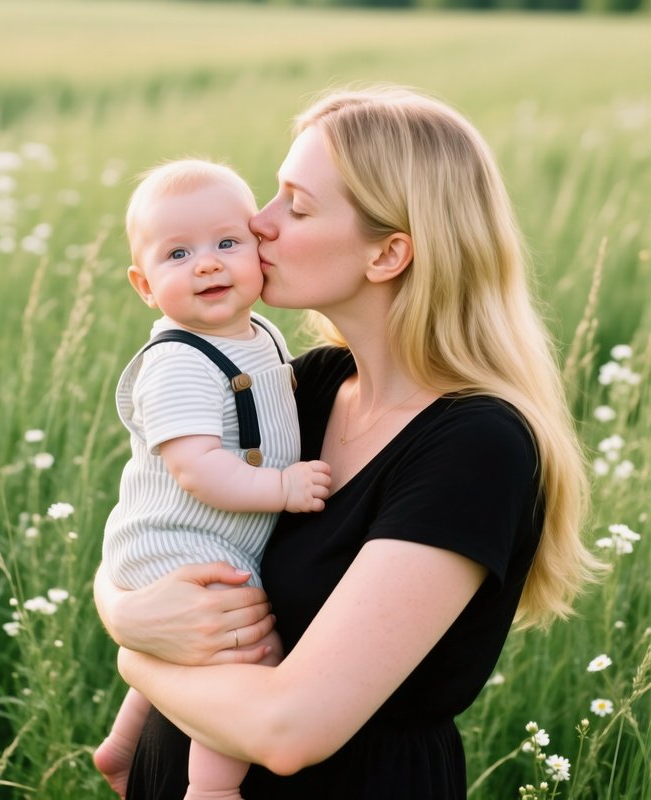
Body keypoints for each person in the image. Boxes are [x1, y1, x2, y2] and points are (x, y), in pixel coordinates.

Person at [93, 86, 601, 799]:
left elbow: (290, 731)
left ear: (389, 253)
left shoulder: (476, 447)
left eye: (294, 206)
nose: (256, 224)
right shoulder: (311, 383)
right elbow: (159, 520)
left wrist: (134, 655)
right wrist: (126, 610)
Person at [93, 158, 332, 800]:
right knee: (246, 653)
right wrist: (281, 490)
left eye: (227, 243)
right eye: (178, 254)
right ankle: (212, 789)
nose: (207, 264)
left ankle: (121, 747)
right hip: (179, 539)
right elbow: (195, 469)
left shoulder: (261, 335)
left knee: (188, 652)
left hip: (213, 535)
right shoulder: (178, 361)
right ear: (145, 285)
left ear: (257, 249)